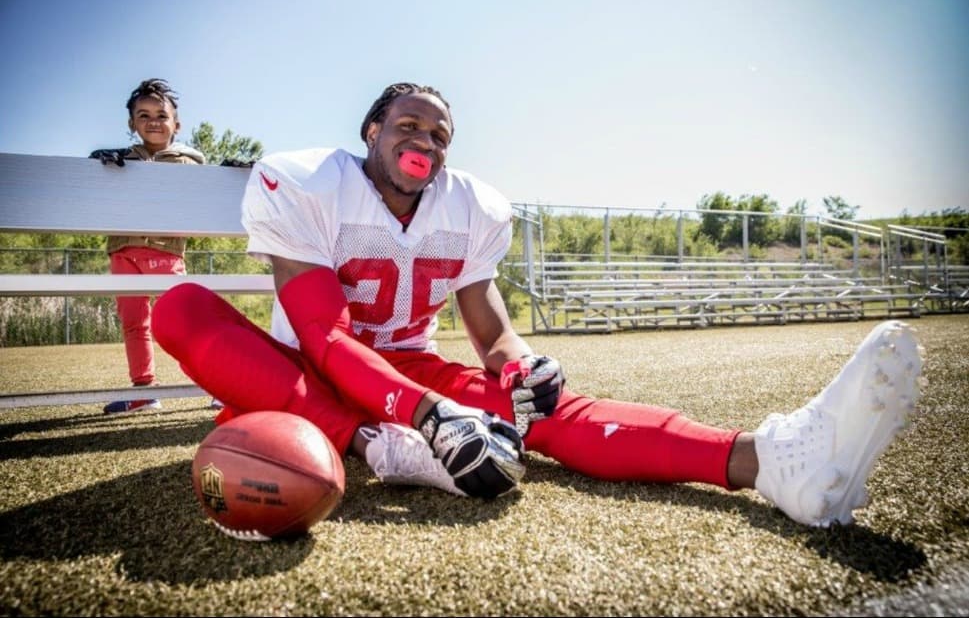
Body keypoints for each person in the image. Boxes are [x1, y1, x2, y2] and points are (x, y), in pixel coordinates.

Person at [151, 82, 924, 525]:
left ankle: (772, 460)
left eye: (440, 134)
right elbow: (320, 336)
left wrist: (524, 365)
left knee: (541, 409)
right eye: (409, 124)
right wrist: (418, 419)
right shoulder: (312, 181)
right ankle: (374, 446)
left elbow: (491, 331)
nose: (425, 140)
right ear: (372, 131)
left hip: (410, 367)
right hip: (305, 379)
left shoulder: (470, 207)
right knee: (180, 306)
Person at [89, 78, 216, 414]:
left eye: (161, 114)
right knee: (134, 323)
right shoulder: (119, 160)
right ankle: (144, 390)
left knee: (184, 323)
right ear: (132, 124)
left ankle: (217, 385)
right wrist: (99, 164)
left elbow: (205, 196)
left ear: (177, 124)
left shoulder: (187, 161)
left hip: (164, 252)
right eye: (143, 115)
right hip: (122, 252)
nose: (153, 121)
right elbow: (94, 192)